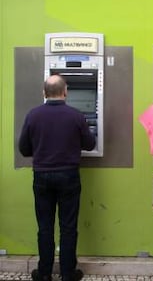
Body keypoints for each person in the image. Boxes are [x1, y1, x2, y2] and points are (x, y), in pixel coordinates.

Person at [18, 74, 96, 281]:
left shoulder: (33, 115)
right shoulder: (76, 116)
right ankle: (68, 273)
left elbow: (24, 149)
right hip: (69, 176)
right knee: (68, 226)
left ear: (44, 93)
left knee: (45, 226)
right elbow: (90, 144)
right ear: (65, 92)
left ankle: (44, 273)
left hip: (42, 176)